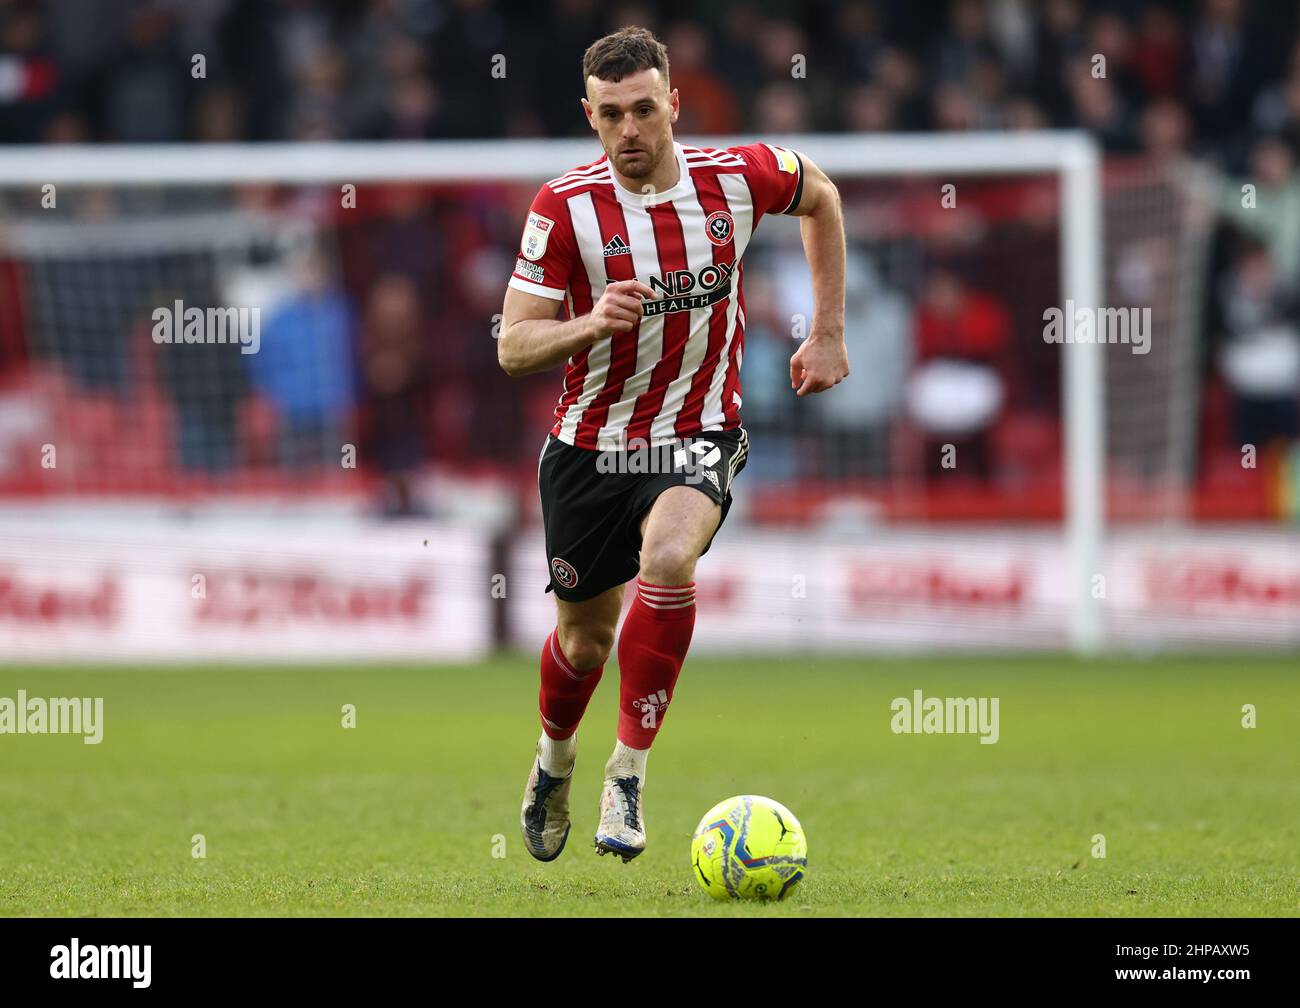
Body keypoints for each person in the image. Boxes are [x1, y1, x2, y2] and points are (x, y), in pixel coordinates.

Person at [498, 26, 848, 863]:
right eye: (611, 113)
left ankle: (628, 773)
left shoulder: (736, 179)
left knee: (668, 559)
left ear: (673, 105)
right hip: (588, 446)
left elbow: (824, 196)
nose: (629, 129)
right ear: (590, 115)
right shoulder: (562, 207)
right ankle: (554, 761)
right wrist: (588, 323)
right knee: (583, 641)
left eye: (644, 109)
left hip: (697, 428)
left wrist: (827, 330)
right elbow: (512, 347)